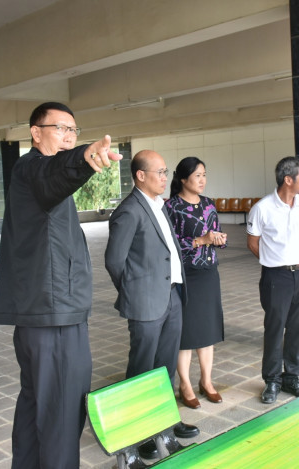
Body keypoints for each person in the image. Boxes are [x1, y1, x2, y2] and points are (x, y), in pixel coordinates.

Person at [0, 101, 121, 469]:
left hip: (44, 314)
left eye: (73, 131)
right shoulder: (34, 168)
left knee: (36, 406)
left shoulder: (33, 174)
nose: (68, 136)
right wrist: (84, 157)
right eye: (60, 128)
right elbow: (55, 173)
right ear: (36, 133)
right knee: (62, 416)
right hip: (54, 316)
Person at [105, 150, 200, 455]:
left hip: (171, 295)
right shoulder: (129, 211)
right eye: (159, 172)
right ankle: (141, 435)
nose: (164, 177)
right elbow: (114, 261)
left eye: (165, 171)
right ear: (140, 175)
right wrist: (135, 292)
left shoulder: (159, 205)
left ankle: (165, 424)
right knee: (142, 369)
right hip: (146, 301)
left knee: (165, 366)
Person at [246, 156, 299, 404]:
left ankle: (292, 377)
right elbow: (253, 242)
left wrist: (294, 259)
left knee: (298, 328)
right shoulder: (262, 208)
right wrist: (274, 260)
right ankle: (272, 380)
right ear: (288, 179)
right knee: (275, 329)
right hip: (276, 276)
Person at [165, 157, 226, 409]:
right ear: (183, 179)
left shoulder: (209, 204)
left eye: (204, 174)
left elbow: (216, 233)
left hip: (209, 272)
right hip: (186, 275)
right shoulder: (172, 207)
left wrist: (219, 239)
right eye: (197, 175)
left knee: (207, 330)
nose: (202, 180)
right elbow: (169, 244)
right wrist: (200, 240)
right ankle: (185, 384)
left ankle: (207, 381)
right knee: (187, 333)